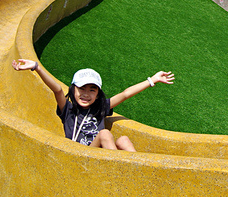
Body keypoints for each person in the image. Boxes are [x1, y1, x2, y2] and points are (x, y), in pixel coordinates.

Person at [12, 59, 173, 151]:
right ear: (73, 89)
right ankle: (118, 170)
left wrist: (152, 80)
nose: (86, 94)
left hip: (99, 153)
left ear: (97, 94)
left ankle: (140, 172)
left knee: (123, 140)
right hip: (78, 155)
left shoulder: (101, 107)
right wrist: (36, 67)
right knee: (104, 134)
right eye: (81, 88)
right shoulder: (68, 109)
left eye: (92, 90)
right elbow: (57, 90)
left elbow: (125, 94)